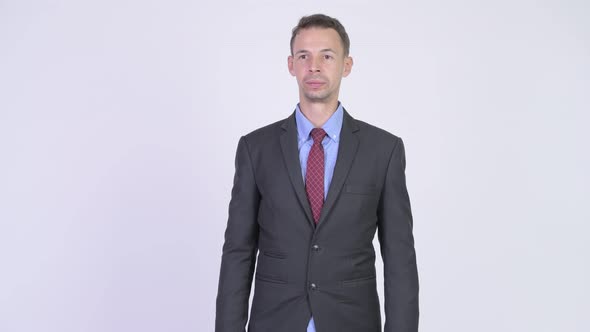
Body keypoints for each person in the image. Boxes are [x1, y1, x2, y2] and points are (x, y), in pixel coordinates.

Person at [215, 13, 419, 332]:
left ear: (346, 65)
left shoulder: (384, 151)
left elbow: (400, 259)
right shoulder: (256, 149)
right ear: (291, 65)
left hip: (352, 322)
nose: (314, 66)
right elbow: (237, 252)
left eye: (326, 56)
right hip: (275, 322)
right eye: (304, 56)